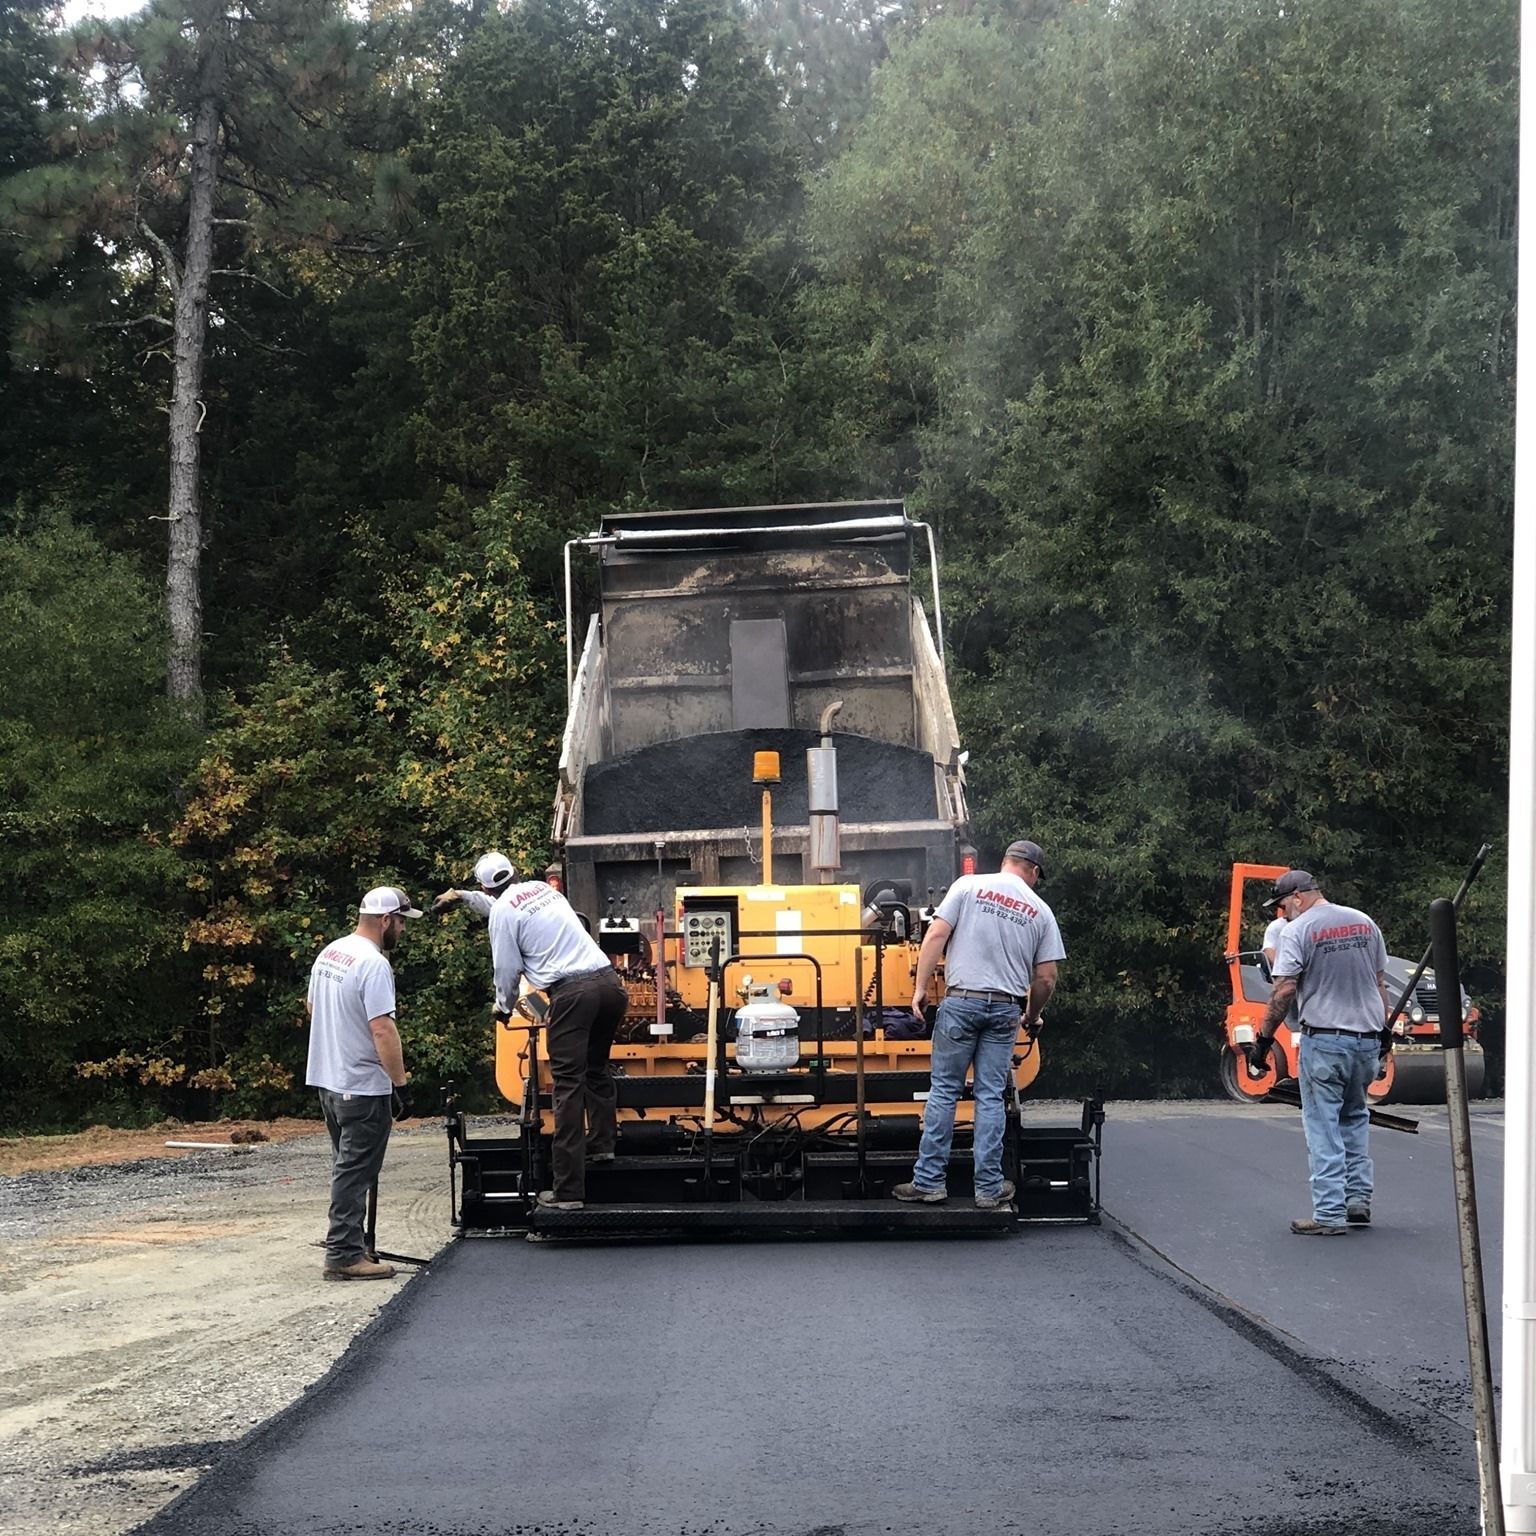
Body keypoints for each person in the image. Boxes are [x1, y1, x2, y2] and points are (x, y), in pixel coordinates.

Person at [894, 839, 1065, 1210]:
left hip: (961, 1002)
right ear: (1033, 872)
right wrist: (1032, 1015)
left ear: (1005, 862)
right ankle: (988, 1190)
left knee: (944, 1092)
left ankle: (928, 1183)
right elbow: (1047, 977)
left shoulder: (967, 886)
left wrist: (920, 988)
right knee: (989, 1097)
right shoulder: (1040, 910)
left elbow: (936, 934)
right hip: (1005, 1010)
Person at [1250, 869, 1391, 1236]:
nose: (1282, 914)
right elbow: (1378, 983)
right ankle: (1357, 1201)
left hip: (1325, 1041)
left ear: (1297, 896)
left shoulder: (1299, 932)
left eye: (1282, 906)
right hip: (1367, 1040)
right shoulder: (1364, 922)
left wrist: (1264, 1041)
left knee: (1323, 1125)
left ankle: (1329, 1213)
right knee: (1355, 1117)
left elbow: (1283, 991)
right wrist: (1385, 1030)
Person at [489, 874, 627, 1211]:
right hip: (610, 985)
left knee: (567, 1084)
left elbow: (506, 969)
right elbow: (499, 903)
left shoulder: (502, 911)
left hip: (572, 992)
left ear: (486, 889)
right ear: (514, 874)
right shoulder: (540, 890)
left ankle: (568, 1192)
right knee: (596, 1069)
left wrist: (503, 1007)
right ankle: (602, 1145)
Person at [305, 885, 421, 1280]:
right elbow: (383, 1030)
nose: (403, 930)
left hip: (329, 1081)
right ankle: (343, 1255)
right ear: (386, 919)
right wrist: (400, 1085)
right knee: (354, 1172)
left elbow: (312, 1006)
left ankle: (354, 1245)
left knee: (347, 1166)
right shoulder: (373, 964)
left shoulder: (331, 952)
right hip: (361, 1085)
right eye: (402, 921)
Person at [430, 851, 517, 920]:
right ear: (516, 871)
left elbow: (498, 907)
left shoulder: (504, 921)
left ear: (485, 889)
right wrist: (460, 895)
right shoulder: (530, 887)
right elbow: (497, 904)